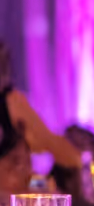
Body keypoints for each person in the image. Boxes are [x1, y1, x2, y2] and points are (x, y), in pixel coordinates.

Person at [0, 42, 81, 176]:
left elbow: (47, 142)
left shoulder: (11, 102)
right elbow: (49, 142)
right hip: (11, 187)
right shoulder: (12, 102)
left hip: (15, 185)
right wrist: (81, 161)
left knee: (46, 186)